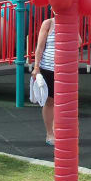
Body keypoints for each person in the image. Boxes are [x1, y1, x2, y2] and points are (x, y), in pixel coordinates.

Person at [32, 16, 56, 145]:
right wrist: (36, 67)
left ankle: (58, 130)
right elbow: (40, 47)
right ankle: (49, 133)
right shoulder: (48, 23)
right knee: (49, 101)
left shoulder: (71, 21)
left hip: (65, 70)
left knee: (63, 102)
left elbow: (79, 41)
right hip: (48, 67)